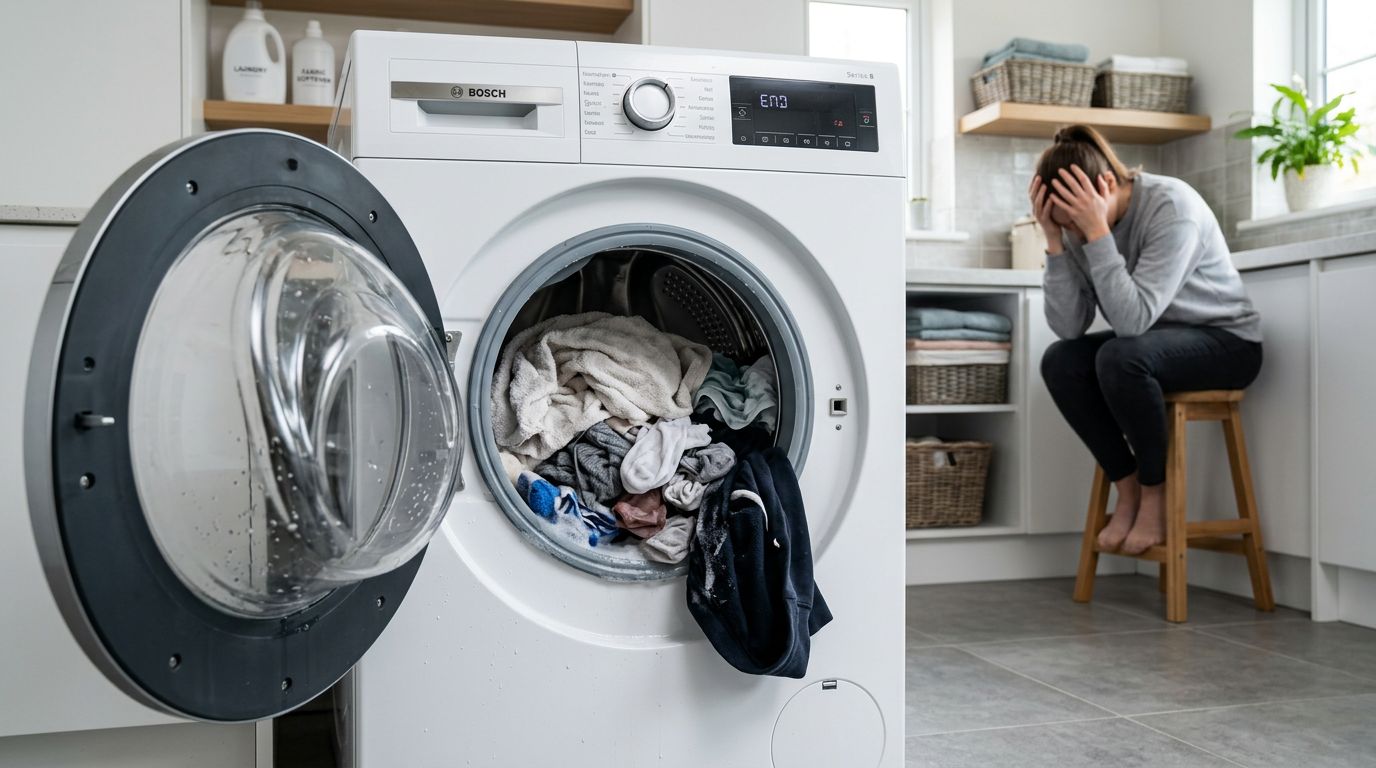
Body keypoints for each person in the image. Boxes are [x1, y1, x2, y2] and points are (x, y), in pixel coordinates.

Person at [1030, 124, 1262, 555]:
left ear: (1105, 185)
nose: (1077, 236)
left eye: (1076, 226)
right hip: (1150, 346)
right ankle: (1129, 486)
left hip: (1227, 342)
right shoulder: (1075, 226)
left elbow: (1132, 323)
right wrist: (1054, 242)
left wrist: (1098, 233)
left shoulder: (1172, 207)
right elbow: (1069, 327)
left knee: (1121, 356)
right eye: (1069, 229)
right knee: (1060, 360)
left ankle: (1156, 495)